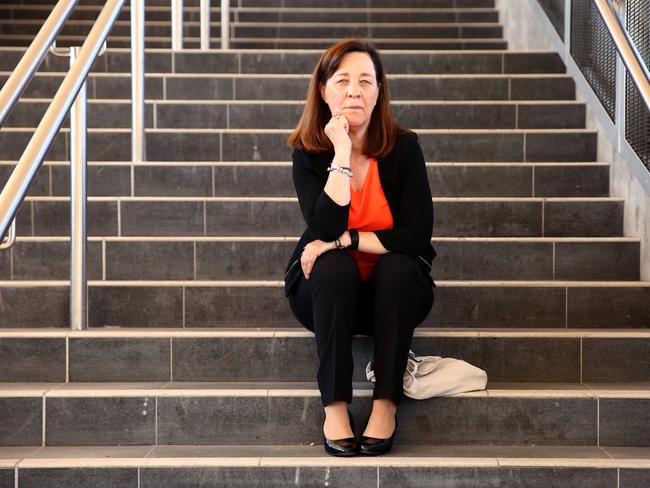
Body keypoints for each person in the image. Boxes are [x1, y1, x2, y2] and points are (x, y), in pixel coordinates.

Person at [284, 39, 436, 456]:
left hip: (395, 293)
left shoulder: (404, 148)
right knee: (334, 266)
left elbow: (418, 236)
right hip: (325, 294)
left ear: (379, 91)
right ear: (323, 90)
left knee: (399, 267)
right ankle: (334, 406)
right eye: (343, 80)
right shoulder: (309, 153)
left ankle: (386, 403)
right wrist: (343, 151)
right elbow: (325, 224)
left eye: (365, 81)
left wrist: (348, 239)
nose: (354, 90)